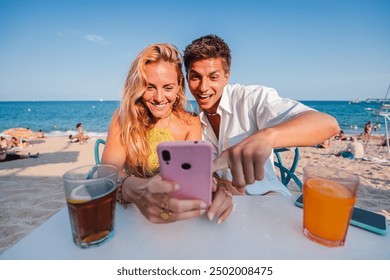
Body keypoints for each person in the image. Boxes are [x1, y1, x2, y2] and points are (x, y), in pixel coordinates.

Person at [183, 34, 340, 194]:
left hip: (268, 199)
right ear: (187, 77)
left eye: (213, 77)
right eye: (195, 77)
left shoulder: (251, 99)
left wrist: (266, 138)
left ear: (226, 77)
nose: (203, 87)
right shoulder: (191, 123)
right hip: (226, 206)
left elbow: (327, 124)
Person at [101, 43, 233, 224]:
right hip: (132, 216)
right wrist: (139, 189)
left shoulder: (190, 123)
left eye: (168, 88)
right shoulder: (123, 119)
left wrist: (217, 187)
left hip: (178, 216)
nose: (159, 98)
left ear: (179, 85)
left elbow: (196, 176)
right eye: (150, 87)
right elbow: (107, 172)